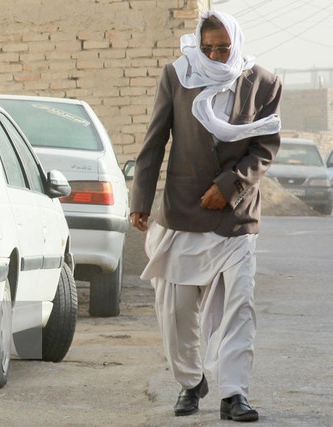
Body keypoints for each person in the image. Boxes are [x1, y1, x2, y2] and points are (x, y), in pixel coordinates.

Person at [129, 10, 282, 422]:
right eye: (208, 47)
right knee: (177, 310)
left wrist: (229, 185)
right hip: (183, 211)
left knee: (239, 304)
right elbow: (155, 141)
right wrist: (140, 199)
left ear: (236, 43)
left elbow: (265, 147)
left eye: (223, 47)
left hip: (236, 217)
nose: (215, 55)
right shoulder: (177, 76)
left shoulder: (264, 82)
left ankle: (234, 394)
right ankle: (190, 381)